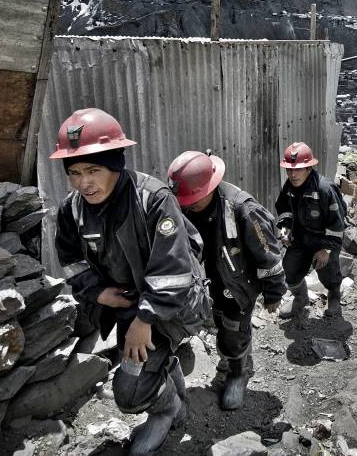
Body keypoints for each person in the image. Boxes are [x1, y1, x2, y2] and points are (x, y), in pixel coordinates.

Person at [51, 108, 210, 456]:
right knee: (133, 386)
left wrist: (144, 320)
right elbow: (70, 260)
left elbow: (175, 270)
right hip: (128, 309)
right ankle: (169, 399)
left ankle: (166, 401)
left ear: (116, 165)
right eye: (74, 173)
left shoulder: (152, 199)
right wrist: (97, 293)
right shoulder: (72, 210)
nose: (84, 183)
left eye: (94, 170)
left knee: (127, 394)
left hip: (171, 308)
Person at [168, 150, 286, 410]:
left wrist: (274, 294)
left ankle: (237, 373)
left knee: (233, 329)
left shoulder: (242, 209)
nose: (187, 205)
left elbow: (268, 255)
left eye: (192, 200)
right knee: (221, 325)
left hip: (237, 285)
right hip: (209, 280)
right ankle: (233, 357)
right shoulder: (185, 205)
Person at [274, 141, 347, 320]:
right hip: (300, 238)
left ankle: (334, 297)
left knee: (328, 270)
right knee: (289, 270)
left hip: (324, 239)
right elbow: (284, 209)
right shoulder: (289, 186)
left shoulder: (324, 189)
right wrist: (285, 230)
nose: (292, 174)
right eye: (289, 170)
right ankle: (301, 299)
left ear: (308, 168)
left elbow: (337, 226)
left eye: (298, 169)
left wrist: (326, 250)